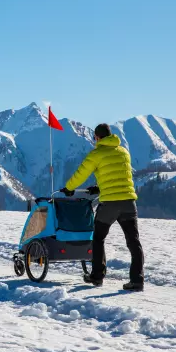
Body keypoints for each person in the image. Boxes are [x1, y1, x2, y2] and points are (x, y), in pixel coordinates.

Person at [60, 124, 144, 291]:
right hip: (128, 202)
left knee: (98, 238)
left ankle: (97, 276)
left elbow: (81, 173)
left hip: (109, 205)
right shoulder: (123, 152)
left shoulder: (96, 154)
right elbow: (119, 177)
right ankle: (137, 280)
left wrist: (69, 188)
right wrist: (99, 187)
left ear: (97, 137)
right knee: (134, 242)